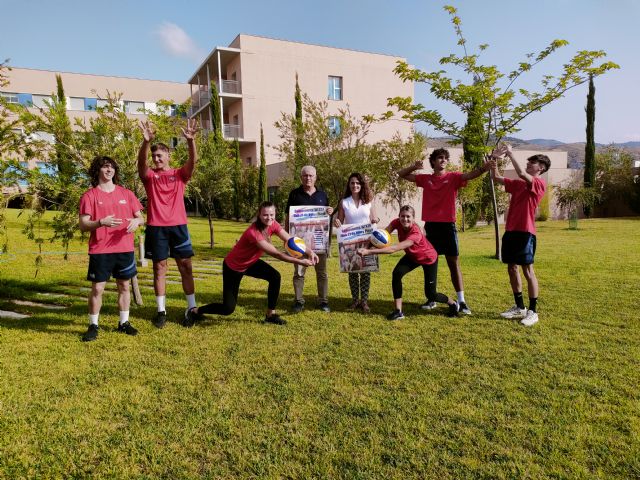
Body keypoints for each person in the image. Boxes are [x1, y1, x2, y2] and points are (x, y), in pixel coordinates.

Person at [185, 202, 318, 326]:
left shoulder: (274, 224)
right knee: (228, 308)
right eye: (265, 215)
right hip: (234, 267)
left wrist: (309, 251)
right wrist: (300, 261)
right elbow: (277, 254)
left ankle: (270, 314)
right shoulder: (254, 233)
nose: (269, 218)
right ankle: (195, 311)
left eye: (272, 214)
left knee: (275, 277)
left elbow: (290, 240)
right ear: (259, 215)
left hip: (251, 263)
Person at [398, 148, 491, 315]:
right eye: (440, 158)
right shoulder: (426, 179)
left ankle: (461, 301)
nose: (443, 160)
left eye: (445, 158)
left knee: (453, 264)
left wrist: (484, 168)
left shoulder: (453, 177)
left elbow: (469, 175)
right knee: (429, 262)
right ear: (433, 161)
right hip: (431, 227)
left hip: (448, 226)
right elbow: (401, 174)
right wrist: (414, 166)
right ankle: (432, 298)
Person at [138, 119, 201, 328]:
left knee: (186, 267)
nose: (156, 158)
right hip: (156, 228)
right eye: (154, 156)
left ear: (168, 156)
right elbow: (141, 165)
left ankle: (191, 308)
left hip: (178, 227)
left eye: (159, 155)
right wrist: (146, 143)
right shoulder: (149, 177)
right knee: (159, 268)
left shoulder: (178, 175)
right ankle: (161, 311)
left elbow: (193, 163)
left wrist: (191, 142)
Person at [79, 156, 144, 342]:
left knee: (124, 286)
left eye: (112, 167)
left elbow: (141, 217)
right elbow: (83, 225)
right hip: (100, 250)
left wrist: (136, 222)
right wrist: (101, 222)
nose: (109, 170)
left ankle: (124, 323)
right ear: (97, 170)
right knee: (98, 288)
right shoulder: (89, 196)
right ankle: (93, 325)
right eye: (105, 167)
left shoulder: (127, 194)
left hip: (124, 248)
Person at [358, 205, 458, 320]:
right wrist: (367, 246)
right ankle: (398, 311)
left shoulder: (416, 233)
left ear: (413, 218)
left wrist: (368, 252)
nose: (405, 219)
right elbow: (381, 236)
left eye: (408, 217)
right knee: (397, 274)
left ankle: (453, 303)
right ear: (399, 216)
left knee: (431, 294)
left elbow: (393, 249)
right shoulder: (396, 222)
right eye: (402, 216)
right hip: (412, 256)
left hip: (428, 258)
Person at [490, 144, 549, 327]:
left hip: (526, 232)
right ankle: (519, 307)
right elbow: (496, 177)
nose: (529, 164)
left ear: (541, 168)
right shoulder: (517, 185)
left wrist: (510, 153)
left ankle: (533, 311)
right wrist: (494, 159)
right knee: (511, 268)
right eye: (529, 161)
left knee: (527, 271)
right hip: (511, 231)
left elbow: (523, 174)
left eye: (533, 162)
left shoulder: (539, 183)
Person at [285, 165, 333, 313]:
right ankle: (299, 301)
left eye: (311, 175)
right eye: (305, 175)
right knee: (299, 272)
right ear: (301, 177)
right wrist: (286, 238)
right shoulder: (294, 194)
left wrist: (330, 212)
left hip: (319, 241)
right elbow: (288, 217)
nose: (308, 178)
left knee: (322, 273)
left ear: (315, 177)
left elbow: (327, 218)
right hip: (300, 243)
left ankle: (323, 301)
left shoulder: (322, 195)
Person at [333, 172, 379, 313]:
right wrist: (337, 222)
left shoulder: (369, 201)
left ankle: (364, 302)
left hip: (367, 240)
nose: (355, 185)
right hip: (350, 241)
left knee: (365, 271)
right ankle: (355, 300)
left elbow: (375, 218)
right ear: (349, 185)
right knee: (352, 271)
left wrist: (375, 221)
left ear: (362, 185)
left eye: (358, 183)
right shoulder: (344, 202)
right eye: (352, 183)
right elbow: (339, 222)